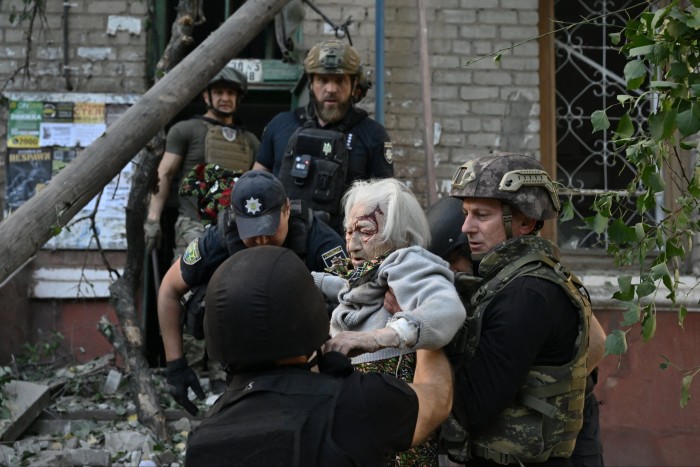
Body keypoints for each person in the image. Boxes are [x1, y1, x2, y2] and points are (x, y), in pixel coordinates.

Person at [184, 245, 454, 466]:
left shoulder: (204, 437)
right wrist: (419, 320)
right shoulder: (357, 403)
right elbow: (438, 398)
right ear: (310, 317)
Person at [420, 195, 606, 466]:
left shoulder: (528, 287)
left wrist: (533, 392)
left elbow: (597, 343)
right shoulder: (494, 283)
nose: (452, 274)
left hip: (562, 434)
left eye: (453, 263)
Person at [158, 170, 346, 415]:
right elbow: (169, 290)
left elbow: (355, 299)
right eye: (253, 232)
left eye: (269, 228)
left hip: (306, 358)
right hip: (244, 362)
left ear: (286, 209)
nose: (262, 240)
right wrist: (175, 365)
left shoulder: (319, 240)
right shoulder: (221, 237)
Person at [312, 178, 466, 465]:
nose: (352, 245)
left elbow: (447, 310)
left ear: (400, 236)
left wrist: (374, 338)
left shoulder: (408, 262)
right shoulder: (365, 277)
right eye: (348, 232)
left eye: (366, 231)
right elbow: (348, 288)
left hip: (404, 446)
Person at [253, 39, 394, 232]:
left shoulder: (372, 134)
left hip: (344, 247)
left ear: (354, 85)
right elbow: (255, 183)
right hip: (282, 240)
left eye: (340, 80)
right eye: (323, 80)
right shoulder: (281, 125)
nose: (331, 89)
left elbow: (386, 202)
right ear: (311, 83)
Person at [145, 67, 259, 256]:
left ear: (238, 98)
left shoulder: (250, 141)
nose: (225, 98)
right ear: (206, 96)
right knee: (189, 280)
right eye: (219, 92)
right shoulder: (186, 130)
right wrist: (153, 219)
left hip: (235, 229)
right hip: (193, 225)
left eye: (231, 93)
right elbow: (164, 174)